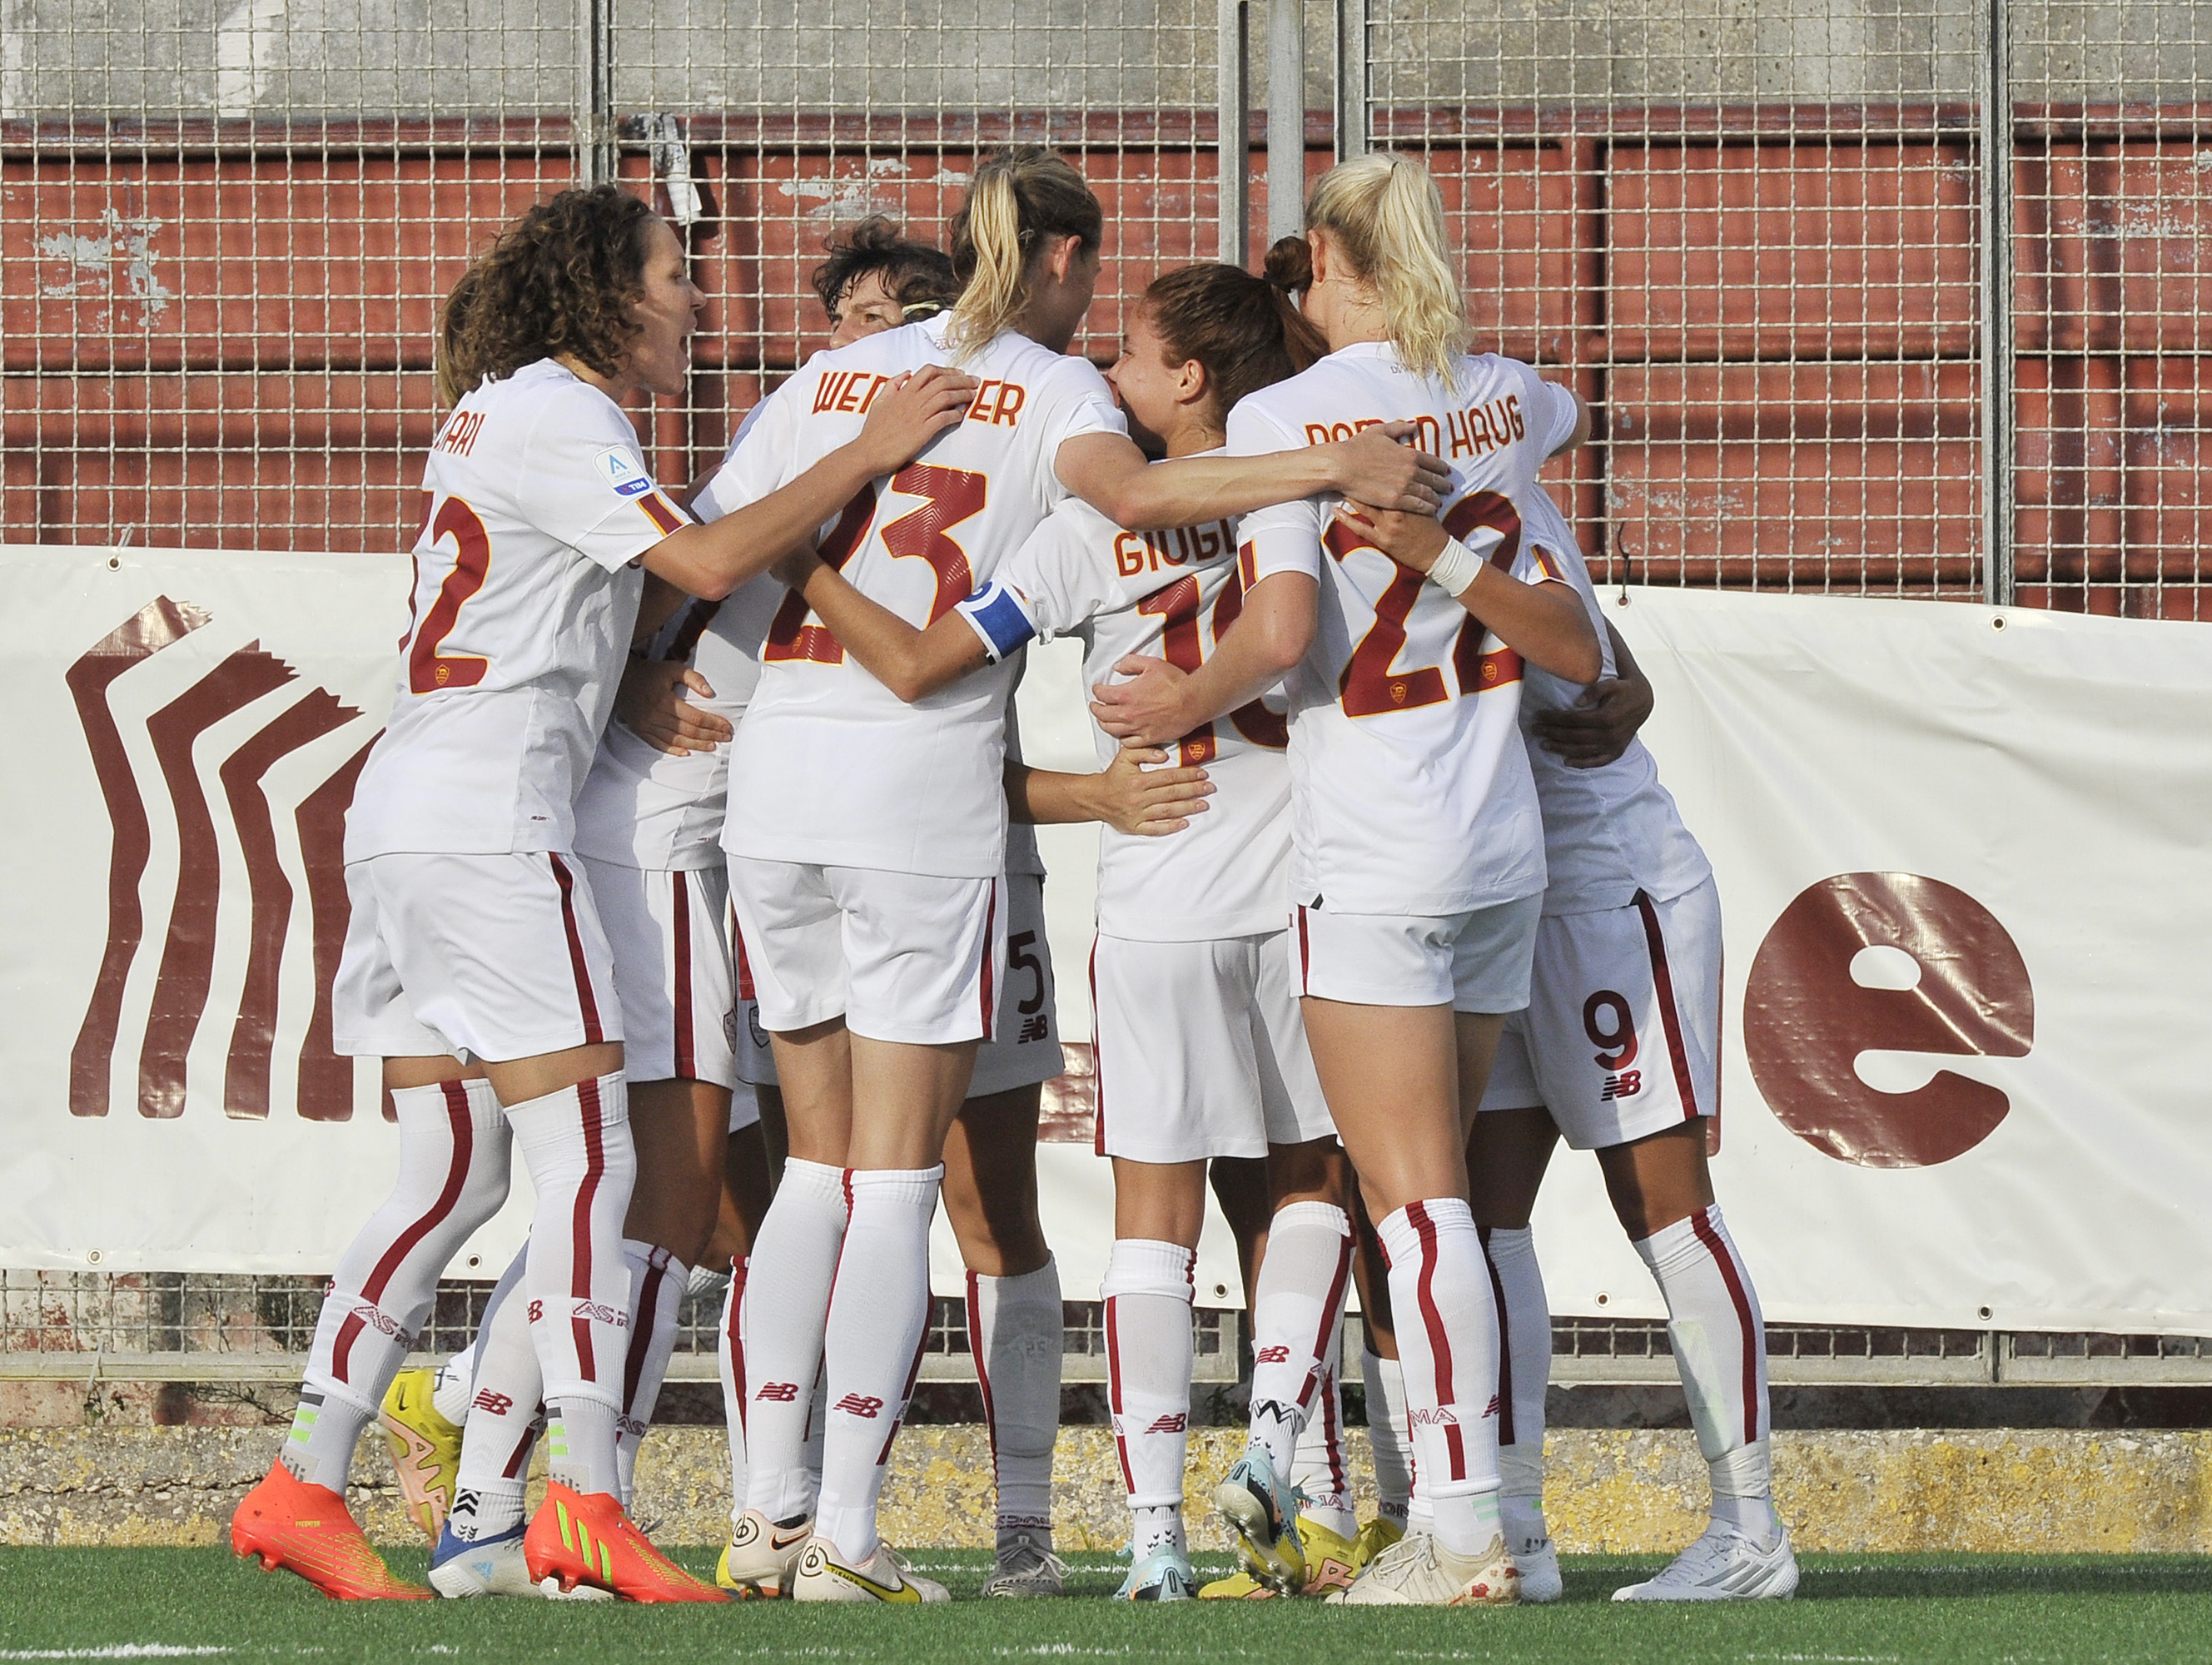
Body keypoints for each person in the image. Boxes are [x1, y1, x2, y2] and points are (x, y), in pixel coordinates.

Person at [709, 147, 1454, 1604]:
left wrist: (793, 570)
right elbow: (1251, 590)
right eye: (1102, 301)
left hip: (794, 794)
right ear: (1061, 259)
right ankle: (902, 1532)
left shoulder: (833, 381)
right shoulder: (1093, 424)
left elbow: (716, 551)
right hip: (1090, 835)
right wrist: (1328, 461)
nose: (1109, 347)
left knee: (823, 1165)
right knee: (1288, 1184)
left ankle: (774, 1511)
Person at [229, 182, 977, 1604]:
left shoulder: (498, 412)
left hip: (406, 814)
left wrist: (630, 671)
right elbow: (696, 561)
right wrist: (867, 452)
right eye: (671, 275)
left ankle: (305, 1480)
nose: (695, 300)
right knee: (603, 1164)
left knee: (451, 1174)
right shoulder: (569, 415)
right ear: (608, 296)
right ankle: (582, 1500)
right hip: (498, 826)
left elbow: (583, 591)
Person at [1092, 151, 1602, 1607]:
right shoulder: (1509, 392)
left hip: (1374, 838)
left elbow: (1256, 596)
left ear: (1320, 254)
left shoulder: (1287, 416)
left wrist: (1168, 707)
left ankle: (1458, 1534)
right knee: (1455, 1208)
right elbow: (1548, 416)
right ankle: (1509, 1516)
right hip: (1503, 831)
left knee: (1419, 1204)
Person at [1450, 485, 1797, 1603]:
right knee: (1481, 1213)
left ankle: (1751, 1526)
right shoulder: (1336, 454)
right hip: (1486, 893)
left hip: (1603, 892)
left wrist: (1623, 678)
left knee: (1665, 1208)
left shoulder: (1465, 458)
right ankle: (1516, 1526)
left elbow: (1576, 632)